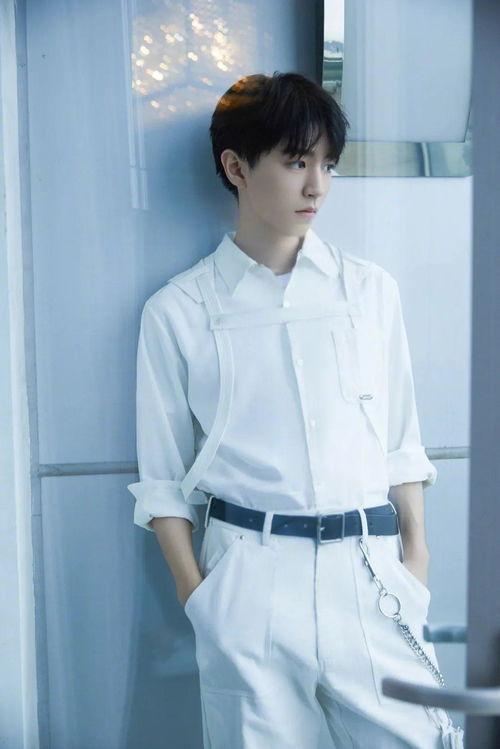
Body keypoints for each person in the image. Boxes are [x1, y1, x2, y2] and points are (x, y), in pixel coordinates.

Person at [127, 72, 462, 748]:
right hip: (249, 584)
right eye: (296, 162)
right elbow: (162, 483)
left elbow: (402, 443)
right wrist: (202, 599)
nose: (318, 186)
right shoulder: (178, 311)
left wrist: (415, 563)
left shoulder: (370, 292)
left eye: (327, 165)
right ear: (236, 168)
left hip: (371, 578)